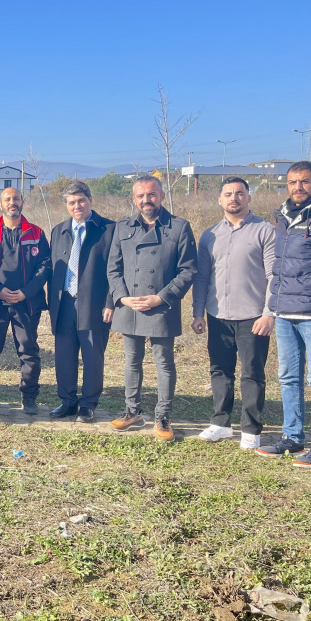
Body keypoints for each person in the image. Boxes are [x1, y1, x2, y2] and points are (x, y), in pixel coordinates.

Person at [258, 161, 311, 468]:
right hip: (284, 312)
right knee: (288, 377)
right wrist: (272, 308)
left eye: (305, 181)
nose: (298, 187)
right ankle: (292, 437)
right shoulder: (282, 217)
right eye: (293, 182)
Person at [107, 175, 197, 440]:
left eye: (152, 194)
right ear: (134, 199)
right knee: (131, 362)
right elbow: (113, 268)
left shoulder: (179, 227)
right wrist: (121, 298)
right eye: (141, 196)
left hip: (161, 307)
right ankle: (132, 412)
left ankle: (163, 417)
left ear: (162, 195)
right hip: (130, 306)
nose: (146, 200)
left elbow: (188, 270)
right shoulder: (122, 227)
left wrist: (162, 297)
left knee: (164, 363)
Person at [190, 178, 275, 448]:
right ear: (220, 199)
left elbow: (275, 276)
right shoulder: (210, 235)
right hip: (218, 315)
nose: (234, 198)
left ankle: (251, 429)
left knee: (252, 373)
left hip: (253, 317)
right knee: (220, 371)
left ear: (249, 197)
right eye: (228, 194)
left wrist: (268, 313)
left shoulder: (265, 231)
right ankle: (220, 423)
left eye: (239, 193)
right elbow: (202, 277)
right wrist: (198, 312)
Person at [0, 187, 50, 414]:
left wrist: (26, 292)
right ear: (0, 204)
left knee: (28, 350)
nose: (12, 203)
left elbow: (45, 266)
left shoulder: (36, 233)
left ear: (22, 202)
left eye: (16, 198)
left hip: (26, 303)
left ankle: (29, 396)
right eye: (7, 199)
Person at [47, 181, 115, 423]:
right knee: (64, 356)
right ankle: (67, 401)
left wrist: (110, 302)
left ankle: (88, 404)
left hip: (94, 305)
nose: (77, 206)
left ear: (90, 200)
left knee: (92, 355)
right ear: (66, 205)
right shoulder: (58, 231)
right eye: (72, 202)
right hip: (63, 304)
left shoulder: (108, 229)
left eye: (81, 200)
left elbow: (115, 271)